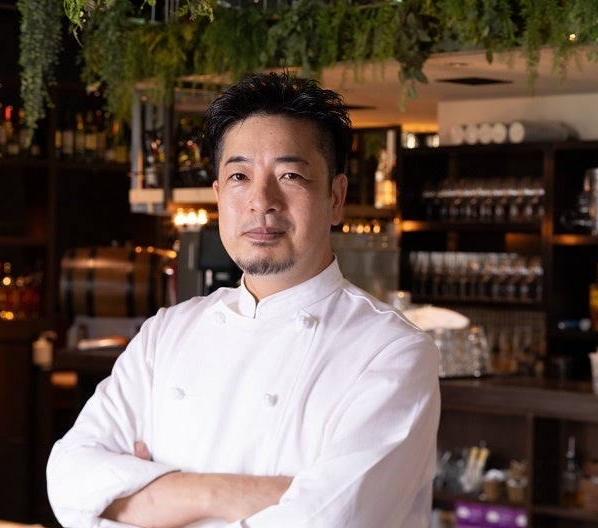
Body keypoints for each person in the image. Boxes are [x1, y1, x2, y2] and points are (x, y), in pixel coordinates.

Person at [46, 71, 440, 528]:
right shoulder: (166, 334)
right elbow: (68, 480)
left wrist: (143, 498)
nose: (261, 201)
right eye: (239, 176)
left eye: (290, 175)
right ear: (218, 196)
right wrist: (228, 492)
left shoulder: (392, 352)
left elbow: (325, 523)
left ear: (336, 197)